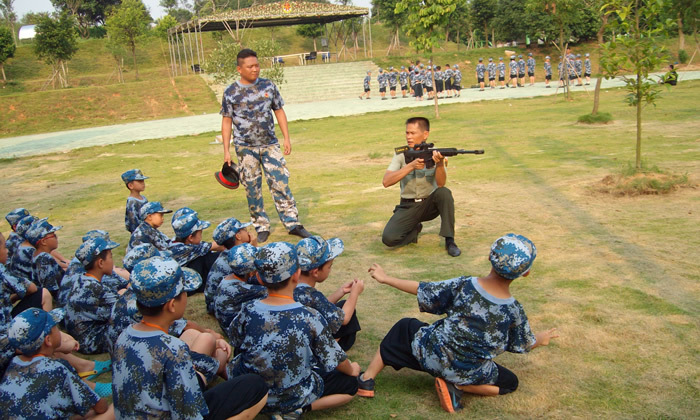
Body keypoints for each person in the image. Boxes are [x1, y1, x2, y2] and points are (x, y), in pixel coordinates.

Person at [357, 234, 559, 413]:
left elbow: (423, 289)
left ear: (489, 257)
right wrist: (540, 339)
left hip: (431, 355)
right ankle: (459, 386)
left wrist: (386, 279)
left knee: (404, 327)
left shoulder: (465, 285)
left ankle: (366, 380)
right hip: (469, 372)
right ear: (525, 273)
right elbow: (523, 343)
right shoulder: (514, 311)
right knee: (510, 383)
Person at [112, 256, 268, 419]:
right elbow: (189, 412)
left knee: (193, 336)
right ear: (172, 305)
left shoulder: (125, 336)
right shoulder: (172, 349)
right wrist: (219, 361)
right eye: (184, 291)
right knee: (255, 385)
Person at [228, 242, 360, 418]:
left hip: (253, 393)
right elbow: (335, 359)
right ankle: (298, 409)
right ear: (297, 274)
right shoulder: (310, 317)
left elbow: (235, 339)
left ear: (259, 278)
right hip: (294, 395)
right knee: (350, 384)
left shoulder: (248, 309)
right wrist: (353, 370)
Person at [220, 48, 311, 244]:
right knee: (252, 188)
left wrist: (286, 138)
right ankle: (261, 226)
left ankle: (292, 223)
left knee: (280, 183)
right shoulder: (231, 92)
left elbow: (279, 111)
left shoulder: (268, 86)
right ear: (239, 69)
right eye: (250, 66)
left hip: (270, 145)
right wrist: (226, 151)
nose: (255, 69)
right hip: (245, 148)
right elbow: (226, 121)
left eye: (257, 65)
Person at [0, 308, 114, 419]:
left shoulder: (13, 364)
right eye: (55, 326)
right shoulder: (57, 368)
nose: (58, 330)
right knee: (113, 410)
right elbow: (100, 407)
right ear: (48, 340)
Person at [381, 117, 461, 257]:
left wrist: (440, 164)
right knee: (389, 238)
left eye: (413, 133)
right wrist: (410, 166)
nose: (409, 137)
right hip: (408, 206)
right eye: (407, 133)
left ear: (425, 134)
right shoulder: (401, 154)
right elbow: (386, 181)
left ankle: (450, 240)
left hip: (429, 205)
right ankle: (413, 231)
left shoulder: (435, 153)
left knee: (444, 193)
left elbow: (441, 184)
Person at [295, 235, 363, 351]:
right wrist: (354, 293)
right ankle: (331, 347)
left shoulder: (290, 286)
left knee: (342, 305)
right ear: (315, 272)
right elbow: (344, 318)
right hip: (305, 347)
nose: (330, 269)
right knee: (347, 313)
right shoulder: (312, 296)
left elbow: (320, 306)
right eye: (329, 266)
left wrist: (341, 291)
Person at [65, 237, 124, 354]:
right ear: (100, 263)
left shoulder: (82, 278)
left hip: (81, 336)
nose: (112, 261)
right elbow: (123, 307)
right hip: (90, 342)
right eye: (110, 257)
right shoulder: (94, 287)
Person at [205, 217, 256, 313]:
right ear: (238, 236)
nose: (248, 232)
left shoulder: (228, 254)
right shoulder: (237, 259)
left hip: (215, 301)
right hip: (220, 304)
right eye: (244, 230)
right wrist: (253, 246)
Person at [214, 243, 267, 334]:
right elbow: (274, 292)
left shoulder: (229, 278)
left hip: (229, 323)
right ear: (250, 273)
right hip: (233, 330)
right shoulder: (241, 289)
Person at [170, 207, 223, 291]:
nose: (201, 236)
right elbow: (218, 245)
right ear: (190, 237)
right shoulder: (186, 249)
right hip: (183, 284)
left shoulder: (175, 241)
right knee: (209, 257)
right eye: (200, 233)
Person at [26, 217, 65, 299]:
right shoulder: (44, 259)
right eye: (53, 235)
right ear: (43, 241)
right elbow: (50, 289)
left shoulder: (37, 255)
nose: (56, 237)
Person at [121, 169, 149, 234]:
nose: (143, 183)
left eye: (143, 181)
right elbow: (133, 222)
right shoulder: (132, 202)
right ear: (130, 185)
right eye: (140, 181)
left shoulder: (143, 198)